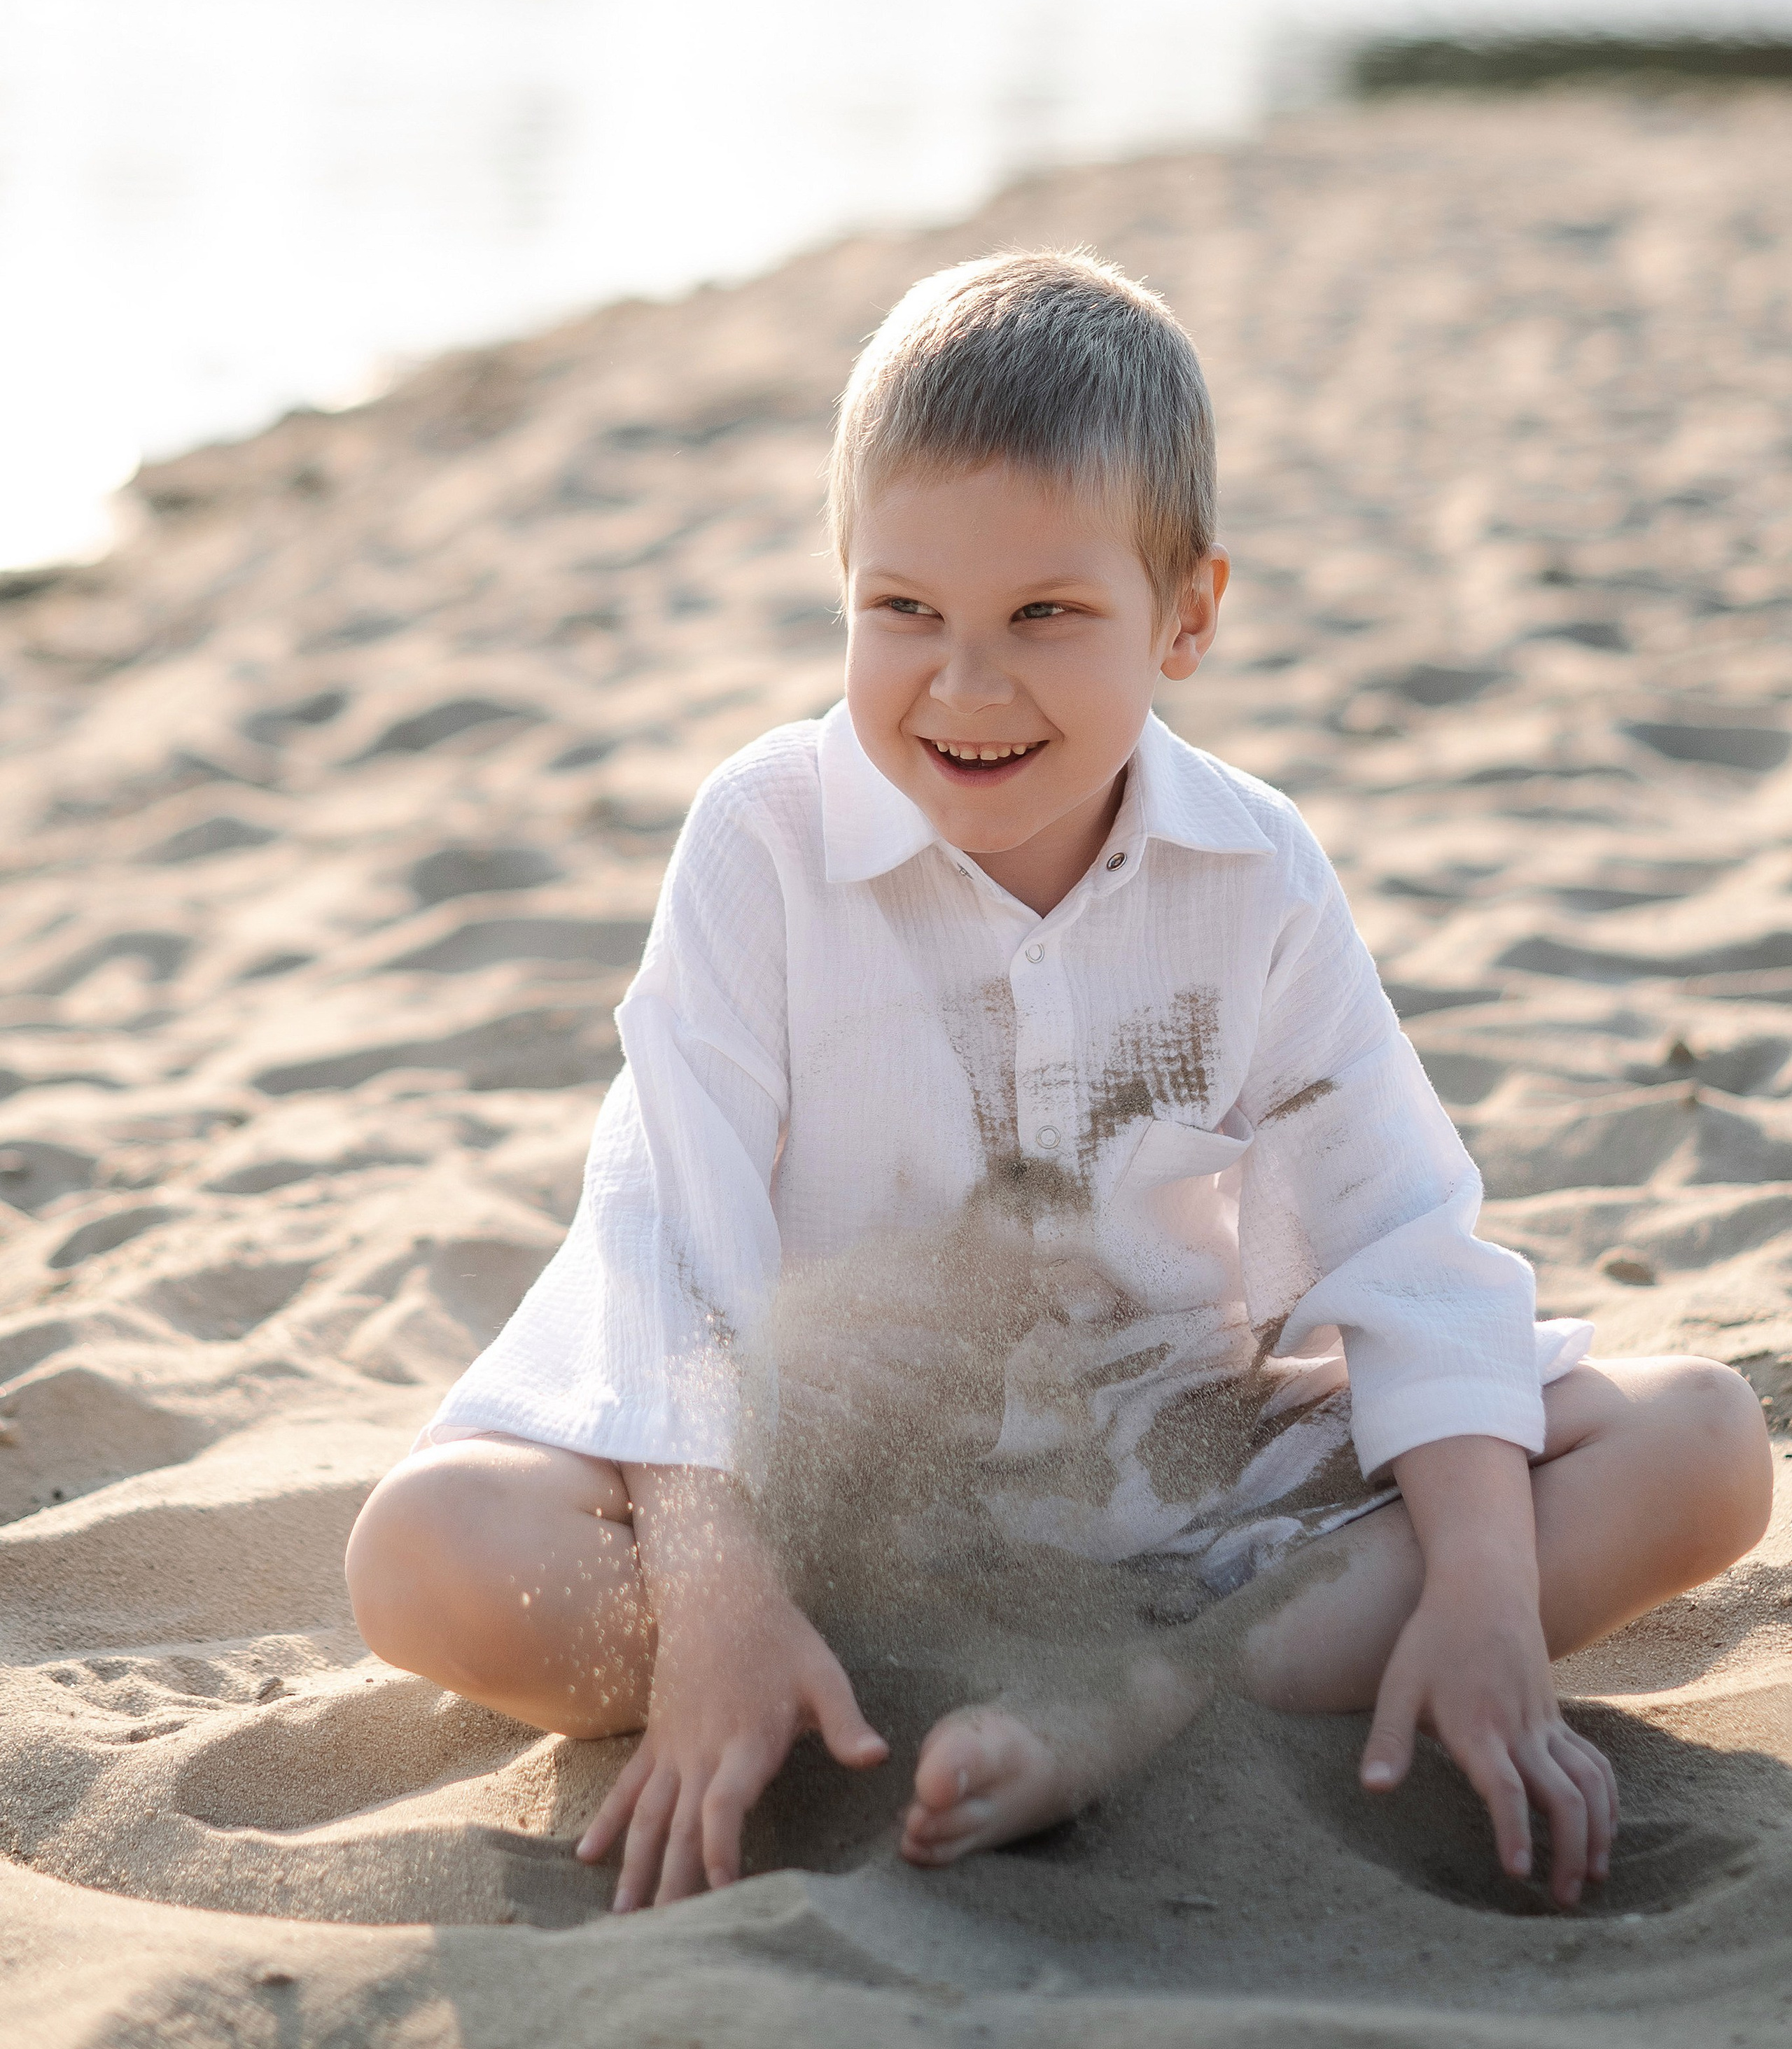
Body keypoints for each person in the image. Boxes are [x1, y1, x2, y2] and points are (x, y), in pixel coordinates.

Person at [344, 251, 1772, 1916]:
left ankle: (1153, 1706)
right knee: (423, 1550)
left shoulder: (1253, 869)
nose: (962, 684)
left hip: (1166, 1503)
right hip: (815, 1501)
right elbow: (670, 1243)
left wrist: (1473, 1577)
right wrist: (718, 1597)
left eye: (1044, 615)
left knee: (1699, 1443)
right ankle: (804, 1677)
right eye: (902, 612)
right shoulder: (762, 838)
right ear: (843, 589)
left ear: (1187, 615)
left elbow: (1398, 1237)